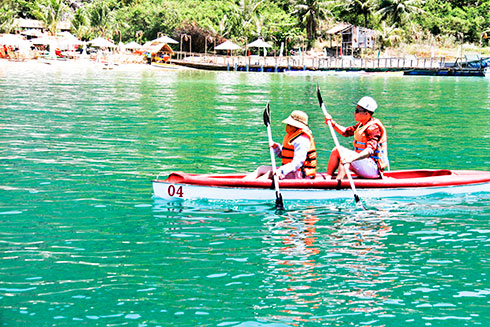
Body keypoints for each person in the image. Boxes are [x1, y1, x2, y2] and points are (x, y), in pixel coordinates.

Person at [324, 96, 388, 180]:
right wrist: (332, 123)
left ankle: (338, 182)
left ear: (367, 113)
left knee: (344, 154)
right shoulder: (362, 124)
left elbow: (369, 150)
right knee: (337, 150)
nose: (355, 113)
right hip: (364, 164)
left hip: (372, 168)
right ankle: (328, 177)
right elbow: (346, 132)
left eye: (357, 111)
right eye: (355, 110)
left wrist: (351, 158)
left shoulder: (373, 128)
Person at [244, 110, 317, 181]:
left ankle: (252, 186)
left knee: (270, 173)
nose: (286, 126)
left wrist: (282, 170)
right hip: (291, 172)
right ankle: (243, 182)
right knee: (262, 168)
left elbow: (297, 163)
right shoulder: (292, 136)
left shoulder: (301, 140)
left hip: (300, 175)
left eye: (289, 125)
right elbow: (284, 154)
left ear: (294, 127)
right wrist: (275, 147)